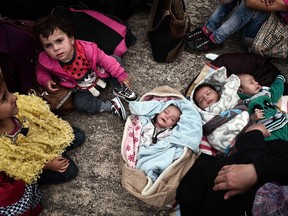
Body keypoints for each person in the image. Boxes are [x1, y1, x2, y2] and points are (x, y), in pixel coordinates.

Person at [34, 15, 138, 121]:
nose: (56, 48)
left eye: (59, 41)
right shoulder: (46, 60)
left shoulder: (87, 48)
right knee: (80, 104)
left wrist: (120, 75)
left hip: (100, 74)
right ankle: (112, 105)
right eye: (48, 46)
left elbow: (105, 60)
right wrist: (45, 80)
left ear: (71, 39)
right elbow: (40, 70)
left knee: (115, 60)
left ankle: (119, 88)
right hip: (82, 87)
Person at [191, 68, 259, 155]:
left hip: (246, 127)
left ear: (218, 92)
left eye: (208, 93)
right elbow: (204, 127)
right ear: (199, 107)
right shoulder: (203, 114)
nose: (206, 97)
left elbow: (232, 87)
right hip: (225, 141)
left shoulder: (226, 96)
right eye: (201, 100)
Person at [185, 0, 268, 53]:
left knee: (252, 3)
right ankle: (209, 28)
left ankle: (216, 39)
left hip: (258, 38)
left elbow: (251, 3)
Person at [237, 73, 287, 141]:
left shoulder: (264, 93)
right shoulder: (242, 103)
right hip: (267, 132)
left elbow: (275, 91)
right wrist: (253, 118)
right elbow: (241, 120)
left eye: (255, 80)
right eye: (251, 82)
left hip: (281, 122)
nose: (256, 83)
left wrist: (279, 80)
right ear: (240, 90)